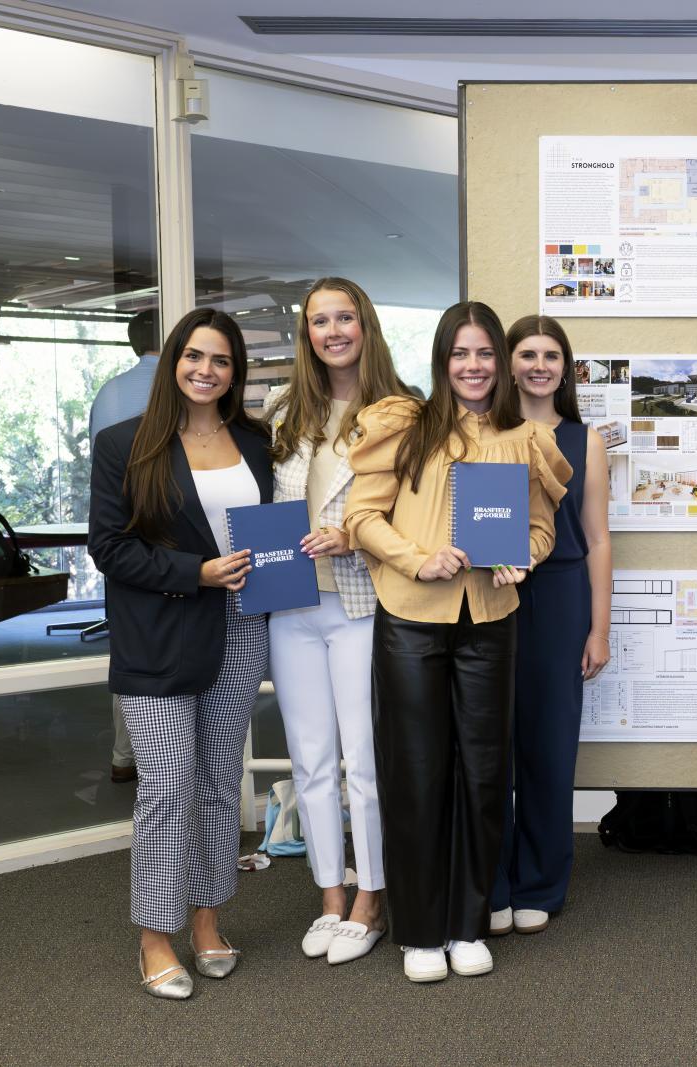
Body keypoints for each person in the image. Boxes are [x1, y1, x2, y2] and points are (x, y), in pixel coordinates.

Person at [343, 301, 571, 983]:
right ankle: (418, 929)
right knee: (416, 775)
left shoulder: (520, 437)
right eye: (460, 354)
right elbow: (361, 516)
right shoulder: (406, 426)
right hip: (411, 613)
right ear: (443, 362)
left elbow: (540, 528)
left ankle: (468, 923)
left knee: (482, 774)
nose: (474, 367)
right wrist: (418, 557)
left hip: (491, 617)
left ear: (499, 363)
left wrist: (523, 557)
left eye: (484, 354)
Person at [88, 307, 272, 1001]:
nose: (206, 370)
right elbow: (108, 547)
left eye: (221, 360)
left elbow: (270, 525)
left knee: (220, 783)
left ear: (234, 372)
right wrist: (193, 572)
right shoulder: (123, 444)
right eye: (195, 356)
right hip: (162, 630)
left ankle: (206, 919)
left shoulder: (256, 442)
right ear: (172, 361)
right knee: (167, 787)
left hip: (240, 625)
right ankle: (155, 935)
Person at [265, 278, 415, 965]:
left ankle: (372, 896)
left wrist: (356, 536)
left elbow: (418, 511)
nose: (332, 330)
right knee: (312, 759)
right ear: (308, 334)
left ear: (366, 324)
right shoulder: (282, 411)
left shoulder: (403, 410)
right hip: (291, 604)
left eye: (344, 317)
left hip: (361, 603)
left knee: (366, 761)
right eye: (319, 320)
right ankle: (330, 891)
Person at [488, 314, 611, 938]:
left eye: (552, 355)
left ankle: (540, 882)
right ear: (508, 363)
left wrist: (599, 629)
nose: (539, 365)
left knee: (549, 744)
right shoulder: (486, 431)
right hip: (487, 592)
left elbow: (597, 538)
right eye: (527, 353)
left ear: (566, 367)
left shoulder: (585, 440)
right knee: (491, 743)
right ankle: (494, 882)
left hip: (559, 596)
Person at [88, 309, 160, 784]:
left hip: (119, 534)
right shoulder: (183, 391)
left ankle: (123, 755)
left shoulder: (109, 393)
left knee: (129, 647)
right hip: (174, 536)